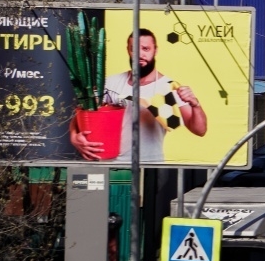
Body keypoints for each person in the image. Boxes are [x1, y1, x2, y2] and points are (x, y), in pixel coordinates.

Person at [69, 29, 207, 162]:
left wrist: (195, 104)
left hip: (150, 166)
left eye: (146, 49)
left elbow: (200, 130)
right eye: (134, 49)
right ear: (128, 50)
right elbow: (84, 113)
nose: (140, 54)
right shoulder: (110, 83)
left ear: (155, 50)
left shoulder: (169, 87)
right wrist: (74, 136)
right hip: (108, 164)